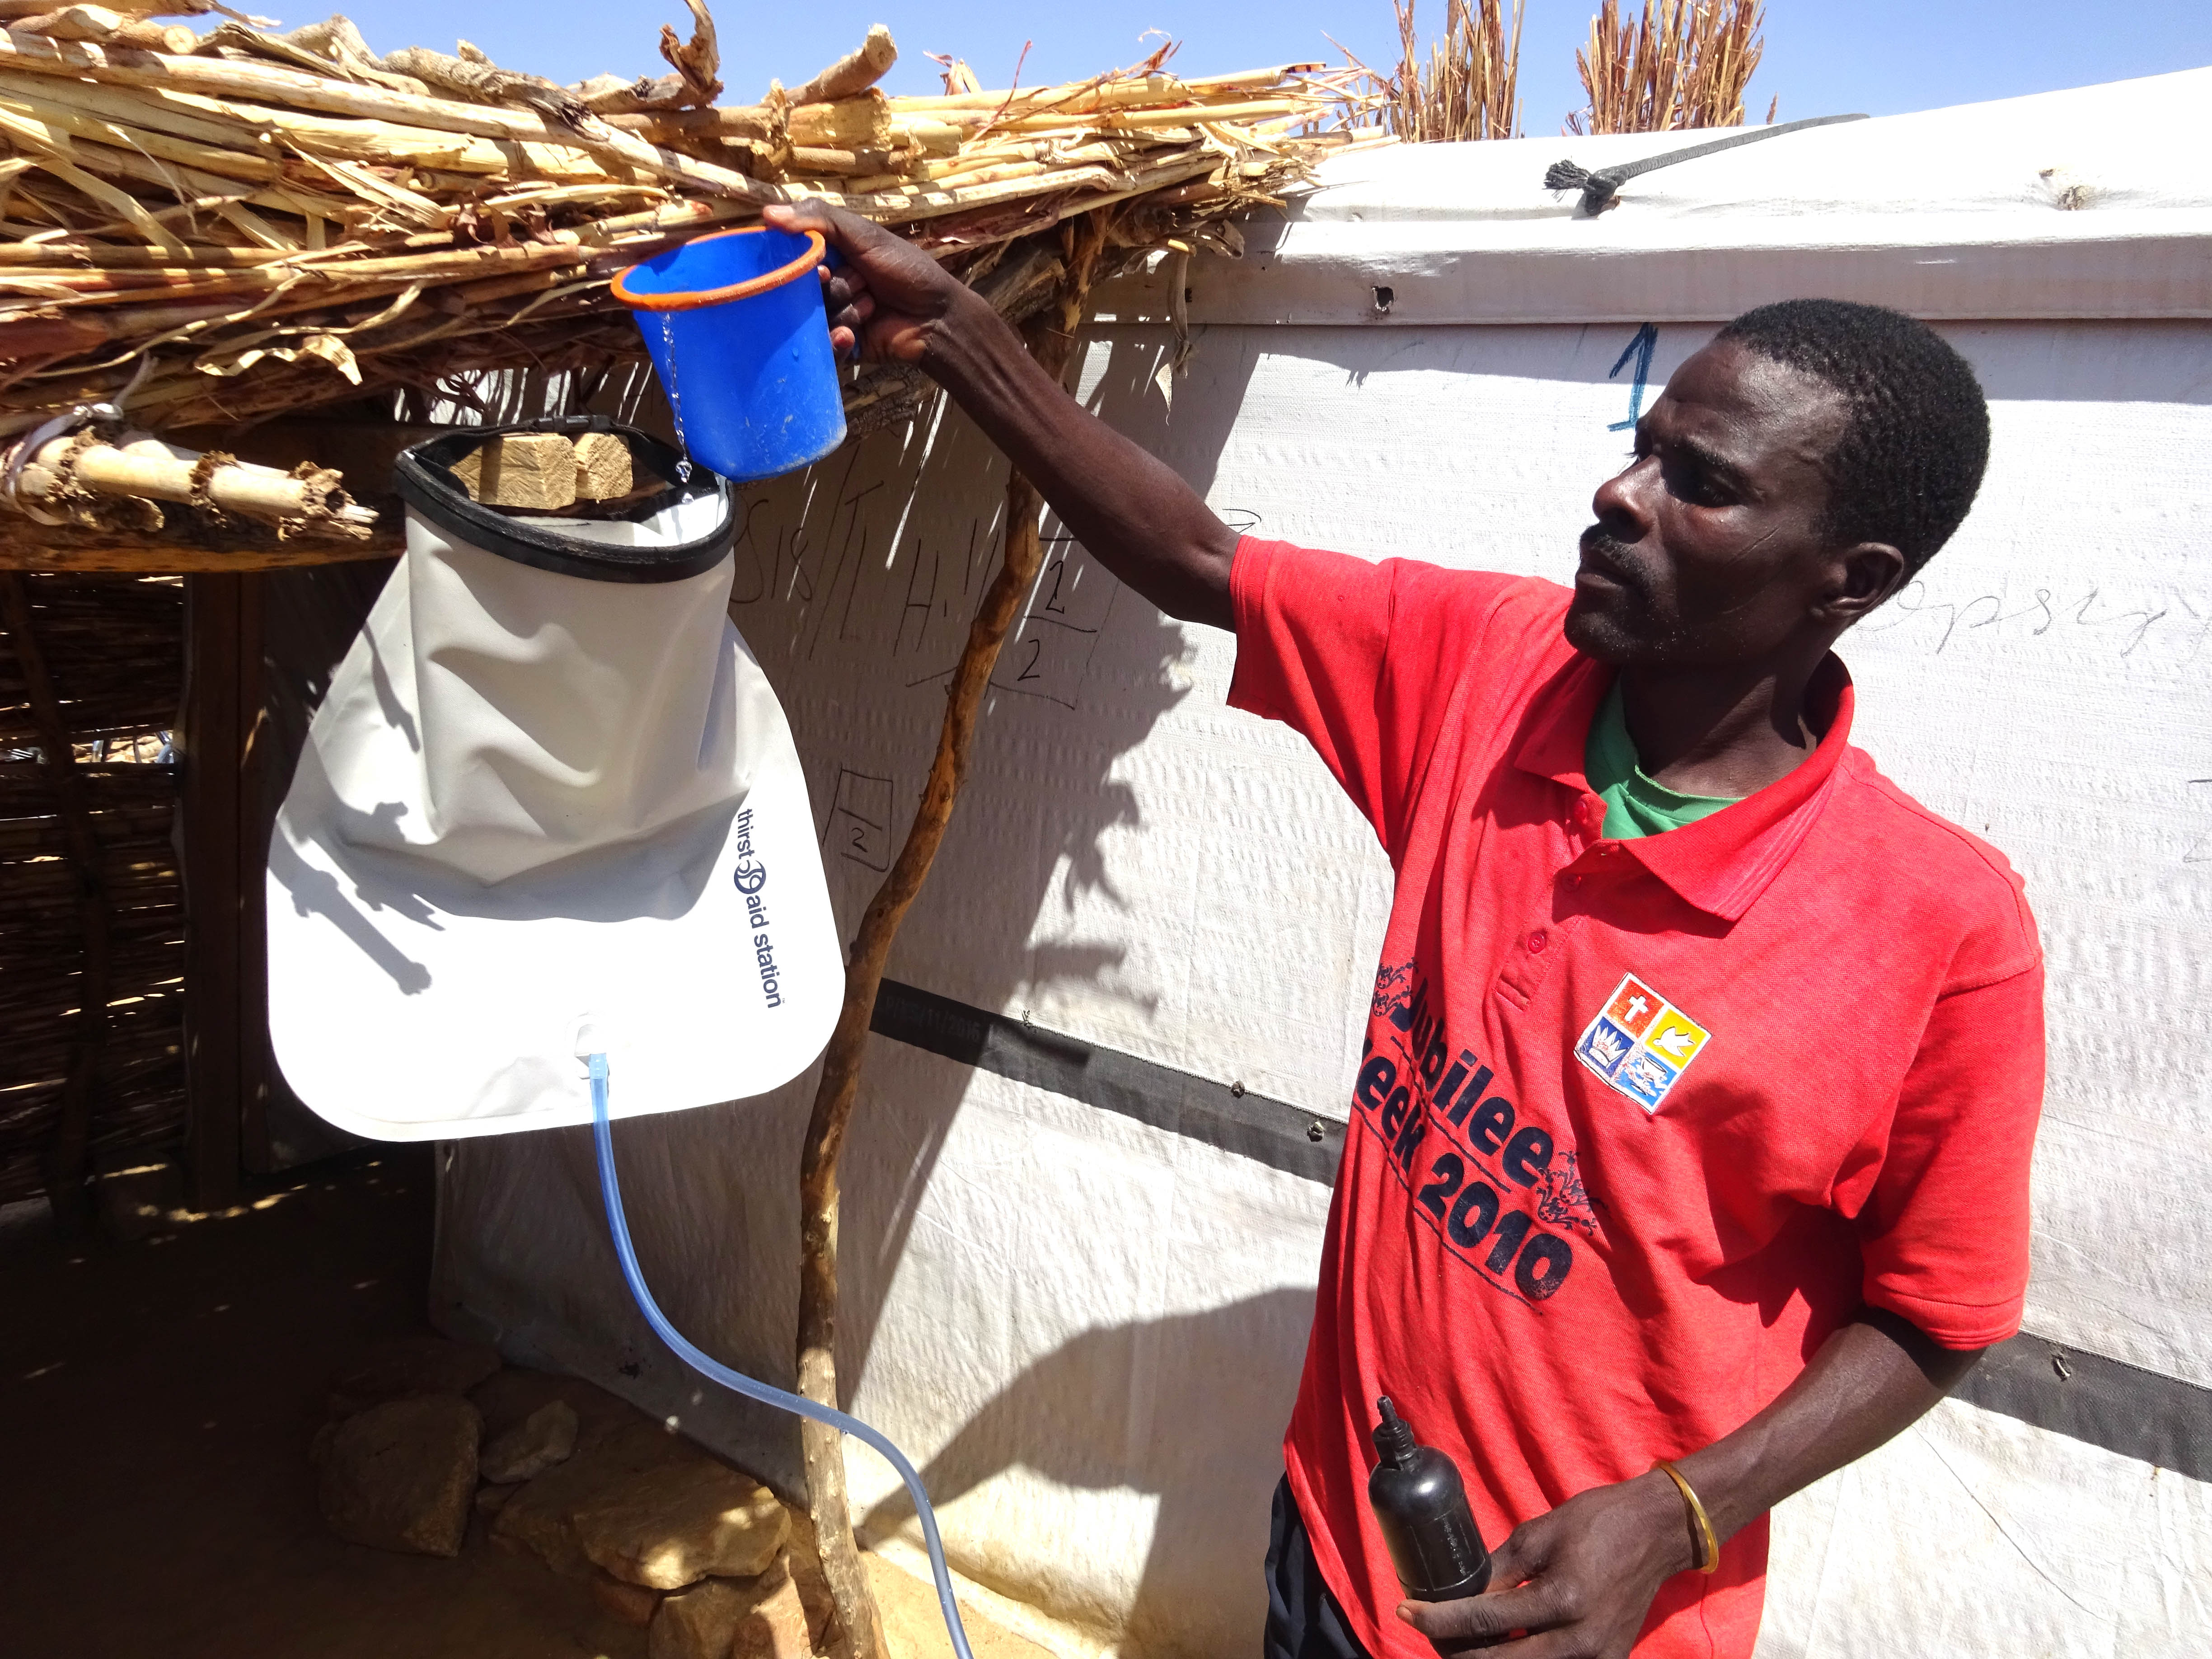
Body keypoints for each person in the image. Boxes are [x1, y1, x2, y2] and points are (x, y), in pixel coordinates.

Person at [763, 201, 2044, 1659]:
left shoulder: (1939, 933)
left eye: (1701, 484)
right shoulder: (1496, 672)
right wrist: (954, 337)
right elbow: (1201, 562)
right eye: (1640, 447)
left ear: (1851, 579)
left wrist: (1681, 1512)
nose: (1621, 496)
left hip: (1586, 1626)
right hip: (1334, 1530)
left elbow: (1940, 1315)